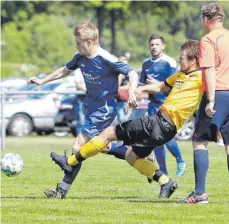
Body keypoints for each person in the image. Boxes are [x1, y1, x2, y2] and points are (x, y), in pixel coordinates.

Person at [50, 39, 202, 199]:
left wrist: (212, 104)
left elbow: (217, 80)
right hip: (163, 129)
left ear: (193, 60)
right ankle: (166, 182)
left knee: (108, 133)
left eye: (182, 59)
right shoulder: (180, 75)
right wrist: (139, 89)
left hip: (158, 124)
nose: (179, 61)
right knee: (131, 157)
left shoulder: (201, 77)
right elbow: (159, 86)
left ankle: (70, 161)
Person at [28, 20, 139, 198]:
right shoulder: (80, 56)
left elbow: (132, 73)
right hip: (91, 106)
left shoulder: (106, 58)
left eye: (79, 43)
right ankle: (143, 158)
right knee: (105, 145)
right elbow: (64, 71)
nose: (77, 45)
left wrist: (132, 93)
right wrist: (42, 81)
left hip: (104, 108)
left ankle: (63, 184)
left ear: (90, 42)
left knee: (77, 145)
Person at [181, 3, 229, 204]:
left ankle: (200, 193)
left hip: (217, 93)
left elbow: (208, 70)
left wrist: (210, 101)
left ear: (206, 19)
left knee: (199, 141)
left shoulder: (209, 39)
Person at [138, 34, 187, 176]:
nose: (154, 47)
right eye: (152, 45)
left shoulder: (169, 63)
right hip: (152, 105)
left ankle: (180, 160)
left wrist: (157, 85)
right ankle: (163, 170)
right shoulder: (146, 63)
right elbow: (142, 85)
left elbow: (175, 86)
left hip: (167, 104)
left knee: (163, 136)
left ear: (163, 46)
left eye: (157, 44)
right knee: (156, 137)